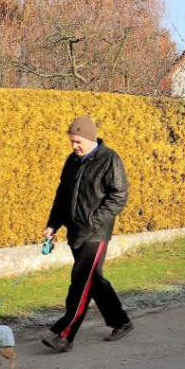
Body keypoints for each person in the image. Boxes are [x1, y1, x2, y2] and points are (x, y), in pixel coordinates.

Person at [41, 116, 134, 352]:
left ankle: (65, 335)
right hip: (75, 232)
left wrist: (94, 220)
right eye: (71, 141)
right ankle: (121, 321)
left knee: (80, 282)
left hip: (96, 233)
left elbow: (118, 197)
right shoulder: (72, 161)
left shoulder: (109, 159)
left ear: (90, 139)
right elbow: (62, 197)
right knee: (94, 281)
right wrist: (53, 225)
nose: (74, 146)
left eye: (77, 141)